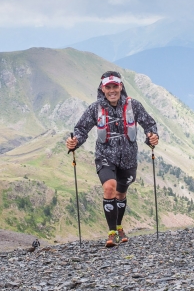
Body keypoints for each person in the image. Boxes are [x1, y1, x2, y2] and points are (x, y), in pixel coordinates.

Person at [66, 71, 158, 247]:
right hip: (105, 157)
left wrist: (152, 137)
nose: (112, 90)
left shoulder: (134, 106)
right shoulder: (95, 109)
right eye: (108, 87)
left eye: (115, 86)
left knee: (121, 194)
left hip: (129, 159)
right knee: (110, 188)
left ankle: (118, 226)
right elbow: (81, 129)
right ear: (102, 88)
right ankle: (112, 233)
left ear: (121, 86)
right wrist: (74, 141)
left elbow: (150, 124)